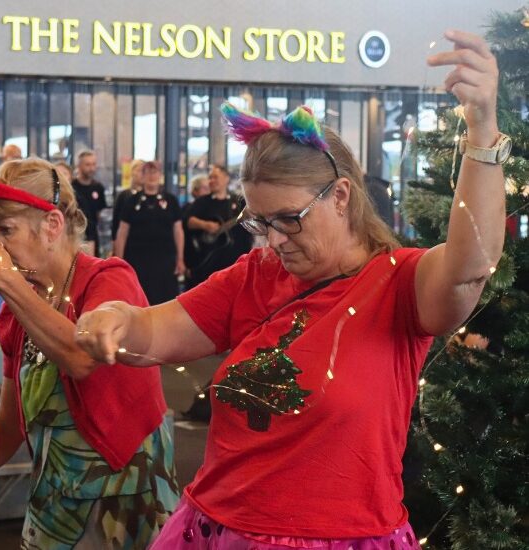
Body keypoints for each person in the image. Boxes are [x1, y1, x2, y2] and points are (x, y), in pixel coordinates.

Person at [74, 30, 504, 549]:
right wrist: (116, 314)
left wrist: (482, 131)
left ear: (341, 196)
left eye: (289, 219)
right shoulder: (255, 277)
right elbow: (153, 332)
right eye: (259, 222)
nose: (274, 240)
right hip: (215, 527)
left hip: (342, 535)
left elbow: (471, 266)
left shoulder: (400, 283)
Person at [0, 158, 179, 549]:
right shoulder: (13, 312)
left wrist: (2, 278)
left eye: (7, 230)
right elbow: (9, 428)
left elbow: (80, 356)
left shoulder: (108, 279)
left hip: (126, 510)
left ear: (52, 225)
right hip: (53, 511)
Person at [114, 160, 186, 305]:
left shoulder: (171, 200)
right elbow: (122, 233)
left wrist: (180, 258)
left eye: (155, 172)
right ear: (142, 175)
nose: (151, 176)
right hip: (137, 258)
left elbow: (178, 231)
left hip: (165, 258)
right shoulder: (132, 201)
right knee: (139, 297)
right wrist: (119, 260)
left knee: (165, 299)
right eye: (147, 172)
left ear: (160, 175)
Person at [185, 164, 252, 287]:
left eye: (215, 177)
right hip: (208, 262)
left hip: (235, 262)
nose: (212, 181)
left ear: (226, 178)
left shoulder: (238, 201)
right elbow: (189, 221)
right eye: (210, 178)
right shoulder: (202, 202)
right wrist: (205, 225)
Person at [72, 150, 108, 256]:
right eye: (87, 164)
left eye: (93, 164)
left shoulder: (98, 188)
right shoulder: (72, 187)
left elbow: (99, 213)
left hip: (93, 234)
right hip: (76, 234)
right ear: (79, 166)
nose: (91, 168)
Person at [181, 174, 211, 278]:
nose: (209, 191)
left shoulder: (212, 208)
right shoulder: (188, 208)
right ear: (195, 191)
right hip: (193, 256)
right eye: (205, 188)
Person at [112, 159, 145, 246]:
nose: (142, 174)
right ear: (132, 172)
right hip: (127, 241)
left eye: (144, 171)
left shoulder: (149, 197)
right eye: (139, 170)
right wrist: (115, 242)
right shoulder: (124, 196)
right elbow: (116, 222)